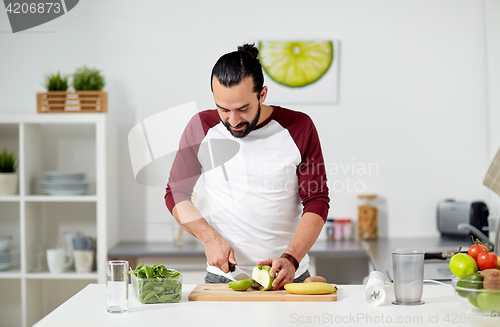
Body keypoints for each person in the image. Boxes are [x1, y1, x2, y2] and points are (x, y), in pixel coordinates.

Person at [165, 43, 329, 290]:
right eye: (223, 109)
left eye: (242, 109)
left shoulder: (299, 127)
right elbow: (176, 193)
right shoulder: (200, 127)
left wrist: (291, 258)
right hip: (224, 278)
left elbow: (317, 199)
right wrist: (209, 238)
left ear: (262, 95)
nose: (233, 120)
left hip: (288, 277)